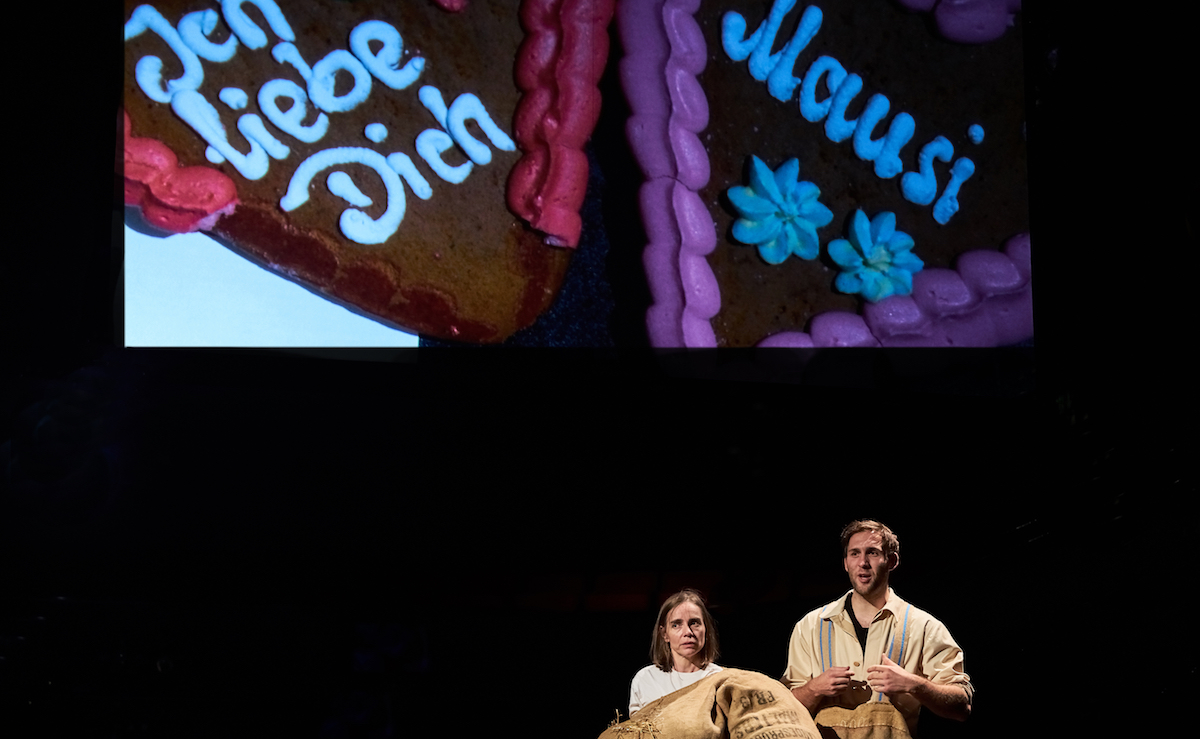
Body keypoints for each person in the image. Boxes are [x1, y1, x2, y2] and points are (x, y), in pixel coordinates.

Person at [782, 520, 972, 737]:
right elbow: (784, 709)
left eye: (872, 553)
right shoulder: (810, 626)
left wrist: (914, 685)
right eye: (854, 553)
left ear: (891, 561)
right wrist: (814, 689)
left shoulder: (924, 627)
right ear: (845, 563)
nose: (862, 562)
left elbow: (961, 707)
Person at [628, 589, 724, 716]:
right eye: (676, 625)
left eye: (694, 623)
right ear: (664, 634)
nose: (688, 632)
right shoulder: (646, 679)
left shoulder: (720, 678)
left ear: (705, 629)